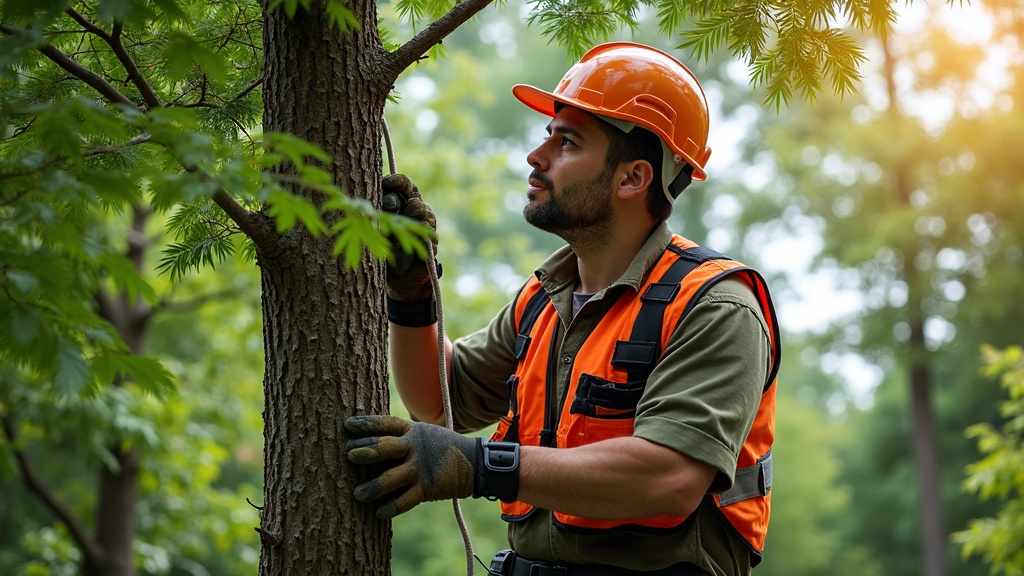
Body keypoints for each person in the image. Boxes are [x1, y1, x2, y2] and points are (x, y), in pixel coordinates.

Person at [345, 41, 781, 576]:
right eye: (548, 135)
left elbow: (670, 479)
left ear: (632, 178)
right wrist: (413, 296)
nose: (537, 155)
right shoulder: (544, 299)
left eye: (568, 142)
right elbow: (440, 403)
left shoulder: (716, 306)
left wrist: (482, 467)